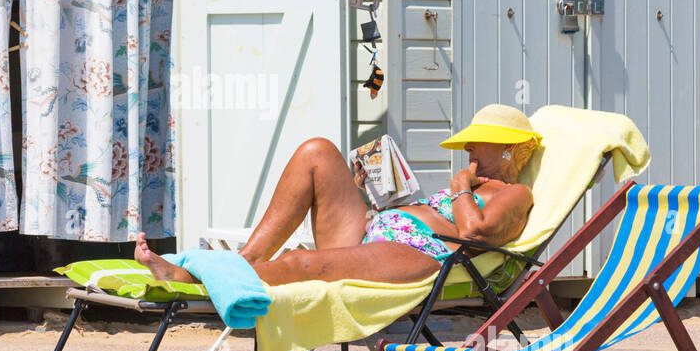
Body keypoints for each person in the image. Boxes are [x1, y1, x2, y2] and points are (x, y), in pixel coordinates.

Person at [136, 104, 540, 287]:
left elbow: (475, 230)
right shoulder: (470, 185)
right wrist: (367, 195)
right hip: (375, 229)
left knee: (301, 262)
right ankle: (247, 261)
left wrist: (460, 189)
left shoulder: (515, 193)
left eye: (477, 144)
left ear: (508, 148)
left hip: (416, 252)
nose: (467, 151)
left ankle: (193, 277)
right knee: (317, 151)